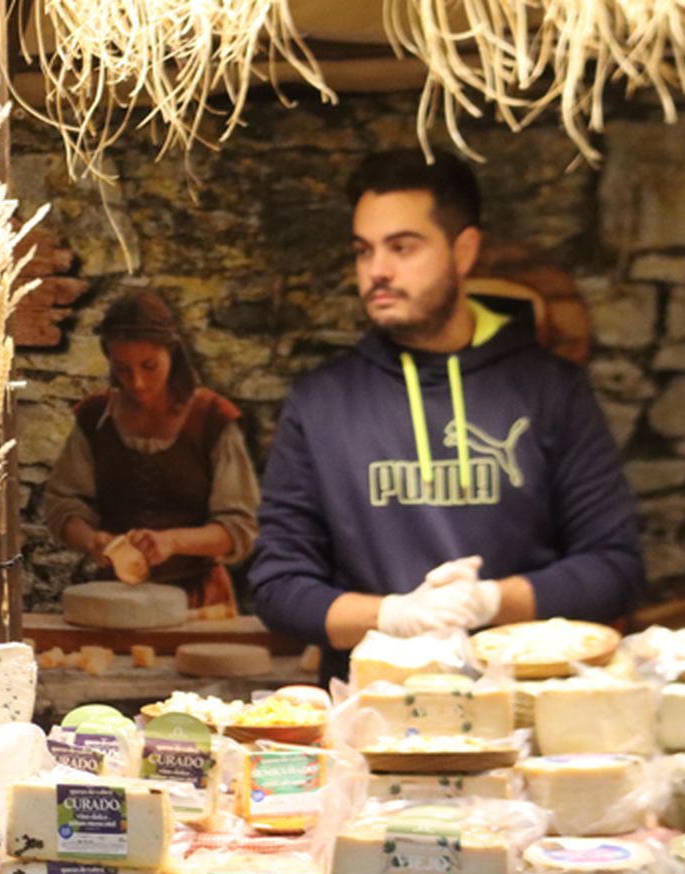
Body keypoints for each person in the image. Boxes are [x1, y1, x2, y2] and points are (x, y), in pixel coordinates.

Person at [250, 147, 644, 679]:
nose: (377, 272)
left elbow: (614, 568)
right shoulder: (321, 401)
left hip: (530, 710)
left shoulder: (550, 389)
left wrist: (487, 602)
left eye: (402, 248)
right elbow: (278, 588)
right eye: (364, 251)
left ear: (463, 251)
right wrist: (394, 615)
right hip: (376, 718)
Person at [43, 289, 261, 610]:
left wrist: (172, 542)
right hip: (118, 602)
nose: (137, 383)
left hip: (200, 605)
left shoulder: (213, 419)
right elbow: (64, 504)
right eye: (122, 369)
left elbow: (240, 527)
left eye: (149, 366)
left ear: (172, 354)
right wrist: (94, 540)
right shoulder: (95, 419)